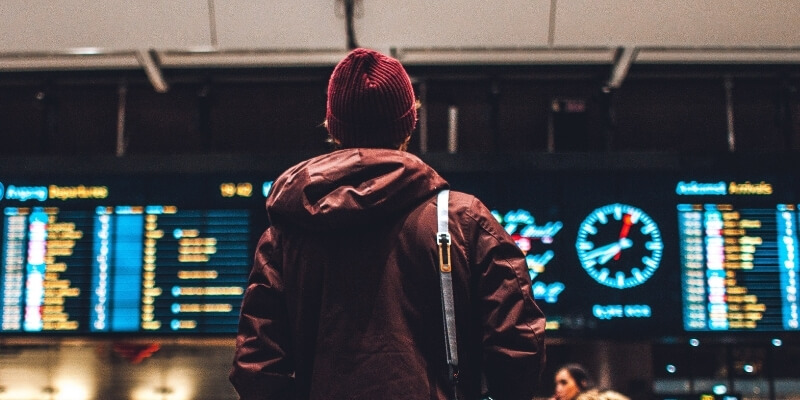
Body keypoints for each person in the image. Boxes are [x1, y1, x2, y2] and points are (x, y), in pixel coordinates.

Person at [229, 47, 546, 400]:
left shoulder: (286, 235)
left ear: (333, 127)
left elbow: (257, 368)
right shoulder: (464, 221)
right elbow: (518, 348)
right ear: (409, 123)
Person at [551, 364, 629, 400]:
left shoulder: (587, 398)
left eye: (564, 383)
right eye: (557, 384)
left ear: (582, 384)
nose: (558, 389)